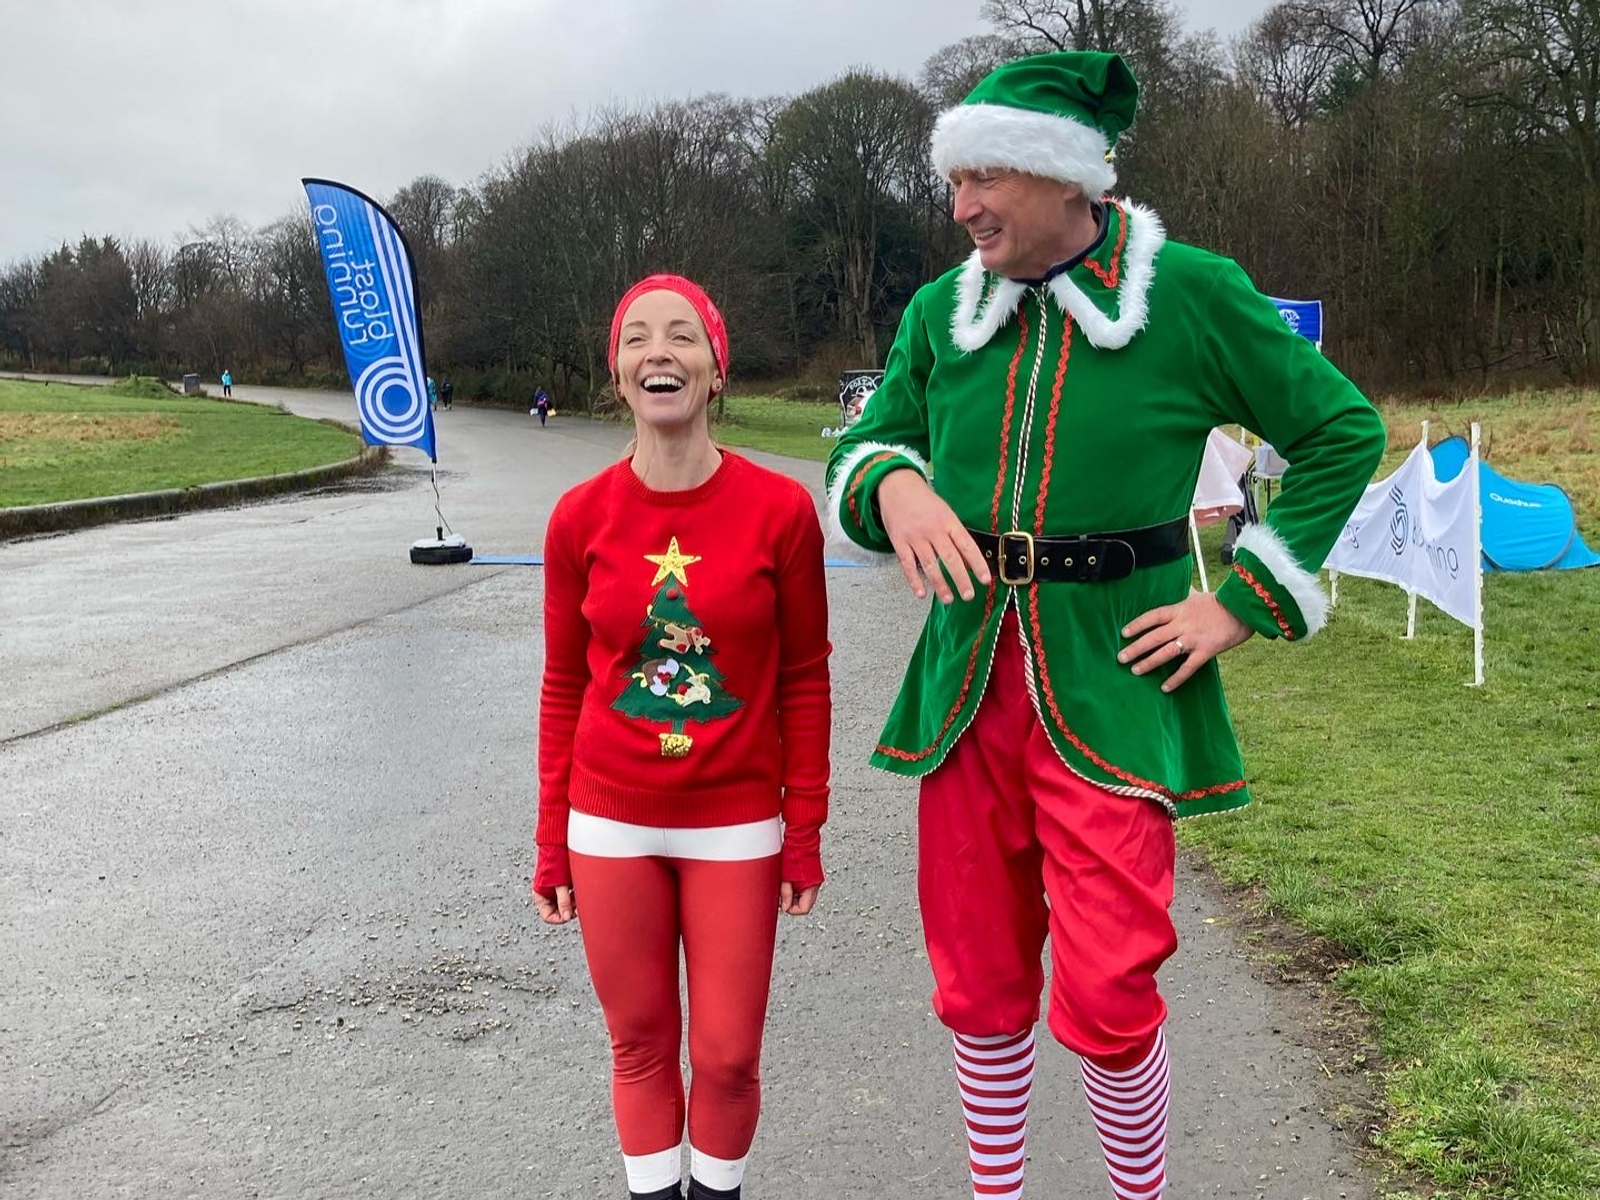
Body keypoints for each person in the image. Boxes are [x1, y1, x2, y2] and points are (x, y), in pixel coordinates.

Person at [825, 51, 1385, 1200]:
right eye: (954, 181)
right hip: (966, 683)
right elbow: (865, 442)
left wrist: (1243, 601)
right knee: (976, 980)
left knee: (1112, 989)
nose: (963, 206)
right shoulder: (943, 308)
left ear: (1065, 177)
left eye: (987, 178)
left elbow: (1340, 431)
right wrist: (892, 482)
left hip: (1117, 682)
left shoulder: (1188, 291)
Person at [533, 274, 832, 1200]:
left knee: (730, 1054)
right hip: (610, 820)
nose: (658, 352)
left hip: (737, 822)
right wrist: (552, 839)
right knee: (640, 1044)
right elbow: (562, 684)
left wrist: (805, 829)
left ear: (714, 370)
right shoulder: (579, 516)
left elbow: (804, 676)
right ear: (617, 374)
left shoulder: (780, 510)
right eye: (636, 339)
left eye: (681, 338)